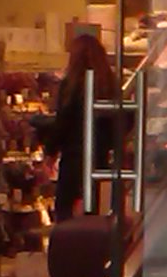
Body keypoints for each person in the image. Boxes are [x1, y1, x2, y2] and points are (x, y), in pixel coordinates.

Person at [45, 32, 124, 221]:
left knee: (67, 214)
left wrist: (50, 150)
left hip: (73, 158)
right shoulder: (111, 86)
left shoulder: (71, 86)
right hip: (100, 158)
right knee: (96, 212)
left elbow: (63, 122)